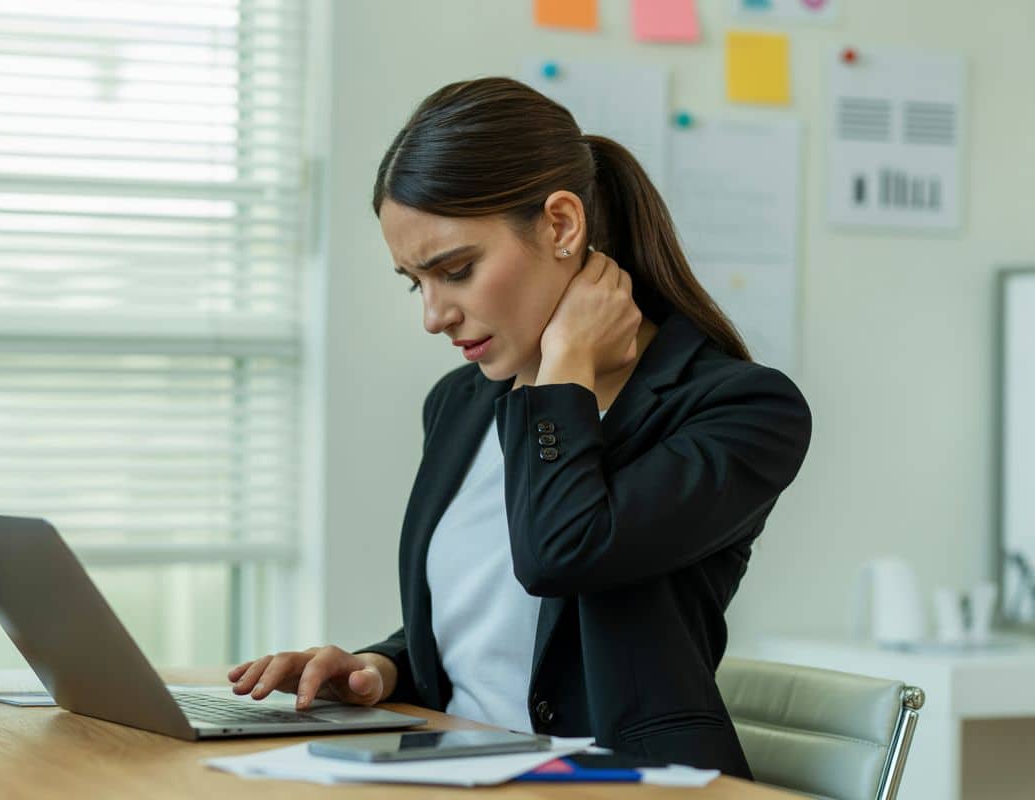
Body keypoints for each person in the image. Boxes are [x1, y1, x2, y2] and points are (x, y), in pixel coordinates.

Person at [227, 77, 811, 778]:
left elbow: (559, 555)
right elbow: (490, 623)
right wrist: (381, 668)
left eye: (456, 270)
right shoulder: (460, 403)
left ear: (562, 226)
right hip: (460, 773)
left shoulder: (742, 410)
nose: (434, 316)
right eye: (416, 282)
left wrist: (564, 371)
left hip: (632, 786)